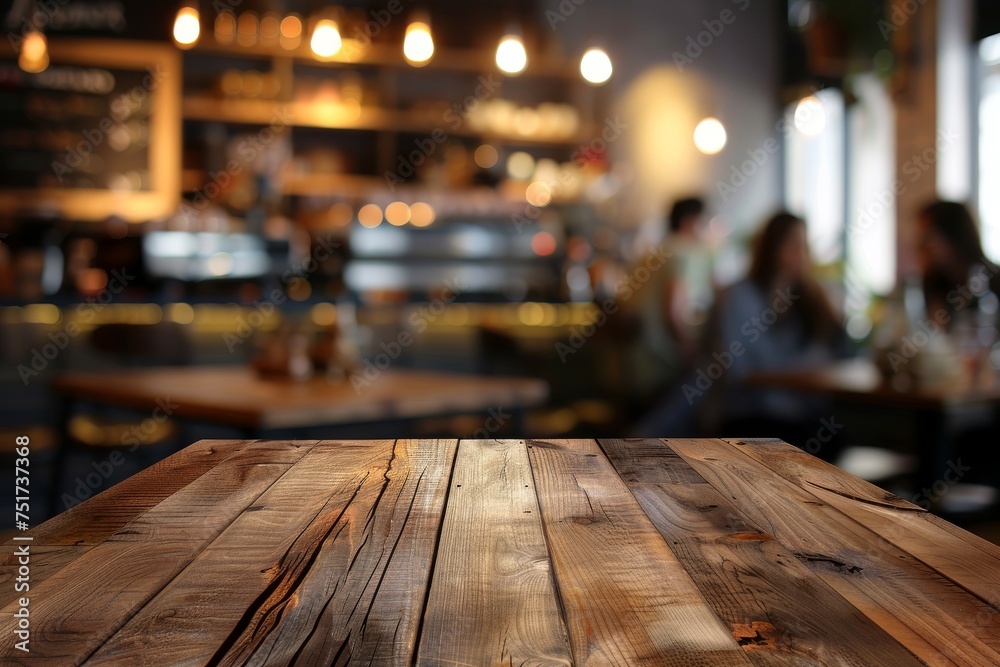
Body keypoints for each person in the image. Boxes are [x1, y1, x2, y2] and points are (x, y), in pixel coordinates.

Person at [711, 212, 850, 459]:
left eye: (804, 246)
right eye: (792, 244)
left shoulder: (811, 297)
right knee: (818, 440)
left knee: (838, 435)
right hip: (753, 413)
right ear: (771, 248)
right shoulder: (741, 296)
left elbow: (837, 354)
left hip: (803, 411)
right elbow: (740, 370)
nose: (801, 254)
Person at [918, 200, 1000, 329]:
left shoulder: (994, 279)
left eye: (930, 235)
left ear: (953, 235)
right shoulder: (933, 283)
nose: (923, 244)